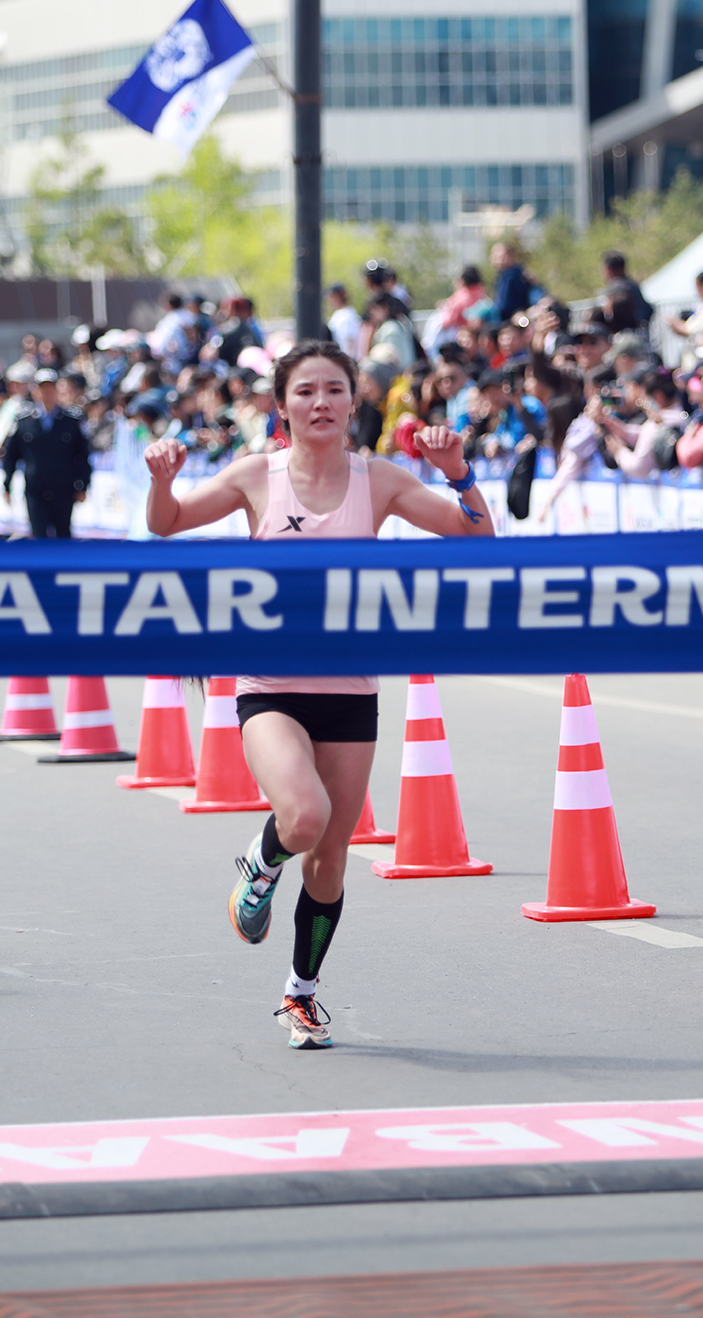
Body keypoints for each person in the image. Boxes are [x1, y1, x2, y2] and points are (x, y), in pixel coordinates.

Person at [141, 339, 492, 1049]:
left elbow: (473, 536)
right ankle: (260, 863)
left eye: (334, 388)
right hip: (271, 684)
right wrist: (162, 480)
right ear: (282, 406)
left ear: (353, 400)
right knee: (302, 817)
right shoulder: (256, 477)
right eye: (305, 391)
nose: (321, 402)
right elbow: (168, 522)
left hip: (351, 691)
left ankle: (299, 995)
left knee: (331, 860)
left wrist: (461, 475)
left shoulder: (380, 479)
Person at [4, 370, 92, 538]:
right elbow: (12, 455)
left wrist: (83, 484)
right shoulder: (24, 422)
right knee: (39, 535)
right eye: (43, 389)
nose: (47, 393)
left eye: (51, 388)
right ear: (36, 392)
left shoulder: (71, 421)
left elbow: (82, 455)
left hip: (63, 489)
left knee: (63, 535)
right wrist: (7, 484)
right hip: (36, 489)